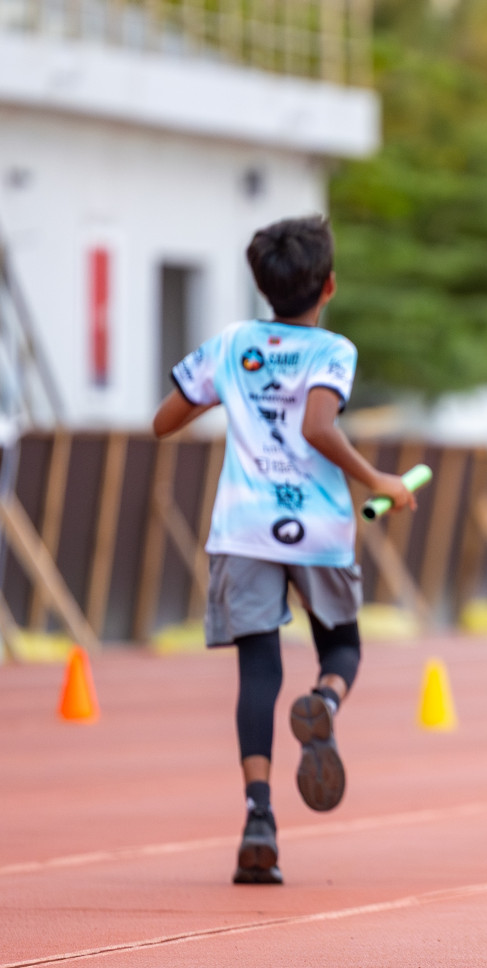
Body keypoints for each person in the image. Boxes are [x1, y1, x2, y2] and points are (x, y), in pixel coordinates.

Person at [152, 215, 415, 884]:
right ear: (328, 286)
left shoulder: (231, 343)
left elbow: (164, 421)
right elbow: (319, 426)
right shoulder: (333, 351)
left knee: (258, 671)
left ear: (262, 285)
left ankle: (258, 818)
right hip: (318, 527)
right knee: (342, 647)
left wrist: (236, 394)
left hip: (244, 528)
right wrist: (379, 480)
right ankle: (324, 701)